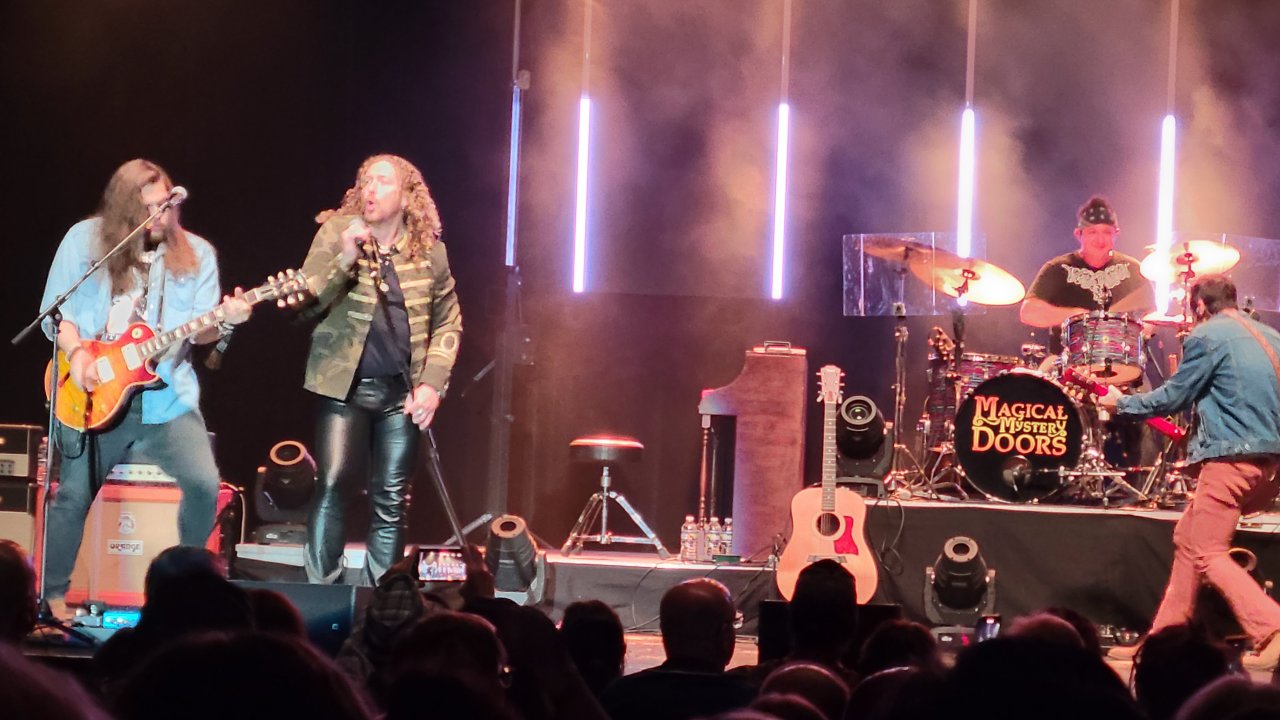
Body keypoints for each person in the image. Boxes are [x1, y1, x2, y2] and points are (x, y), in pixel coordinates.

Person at [39, 159, 251, 618]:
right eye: (149, 208)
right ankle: (51, 599)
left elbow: (201, 333)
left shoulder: (197, 254)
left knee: (204, 484)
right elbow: (58, 314)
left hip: (166, 398)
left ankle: (186, 596)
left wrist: (226, 322)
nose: (160, 216)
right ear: (123, 209)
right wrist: (79, 355)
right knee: (72, 496)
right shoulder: (83, 241)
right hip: (93, 393)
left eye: (166, 206)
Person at [1098, 275, 1280, 670]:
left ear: (1199, 306)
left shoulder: (1207, 336)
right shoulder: (1272, 336)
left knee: (1209, 551)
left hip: (1231, 460)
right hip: (1269, 464)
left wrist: (1120, 403)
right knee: (1188, 538)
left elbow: (1175, 396)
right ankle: (1163, 640)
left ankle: (1273, 627)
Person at [299, 154, 462, 586]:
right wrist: (345, 258)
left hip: (400, 395)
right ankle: (322, 593)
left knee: (391, 499)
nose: (370, 188)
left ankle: (383, 600)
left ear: (407, 197)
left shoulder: (430, 253)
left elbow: (449, 321)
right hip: (343, 389)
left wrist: (432, 385)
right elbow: (303, 306)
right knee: (332, 484)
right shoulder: (337, 233)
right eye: (365, 180)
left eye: (383, 181)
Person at [601, 578, 755, 720]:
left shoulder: (620, 695)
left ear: (664, 632)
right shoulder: (749, 701)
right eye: (733, 625)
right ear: (724, 636)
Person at [1020, 195, 1154, 332]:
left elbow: (1153, 314)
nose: (1100, 240)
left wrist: (1144, 332)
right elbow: (1028, 313)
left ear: (1116, 234)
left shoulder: (1133, 269)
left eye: (1107, 232)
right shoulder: (1058, 269)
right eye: (1092, 232)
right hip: (1069, 345)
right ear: (1078, 234)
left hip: (1121, 345)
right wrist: (1075, 315)